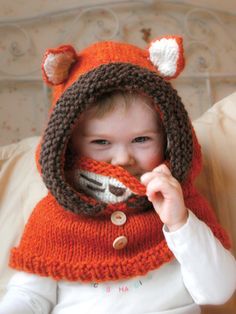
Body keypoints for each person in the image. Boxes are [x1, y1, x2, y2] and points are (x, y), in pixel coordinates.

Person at [0, 37, 235, 314]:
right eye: (101, 142)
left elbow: (219, 292)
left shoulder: (181, 206)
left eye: (141, 139)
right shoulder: (54, 216)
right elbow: (28, 297)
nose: (123, 158)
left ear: (169, 140)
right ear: (68, 146)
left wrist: (180, 223)